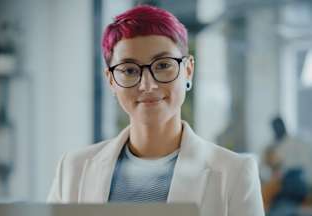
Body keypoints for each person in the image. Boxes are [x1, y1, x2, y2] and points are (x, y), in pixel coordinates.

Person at [47, 5, 264, 216]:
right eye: (129, 70)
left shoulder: (234, 173)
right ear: (111, 80)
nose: (147, 85)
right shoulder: (73, 169)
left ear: (187, 70)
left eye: (162, 65)